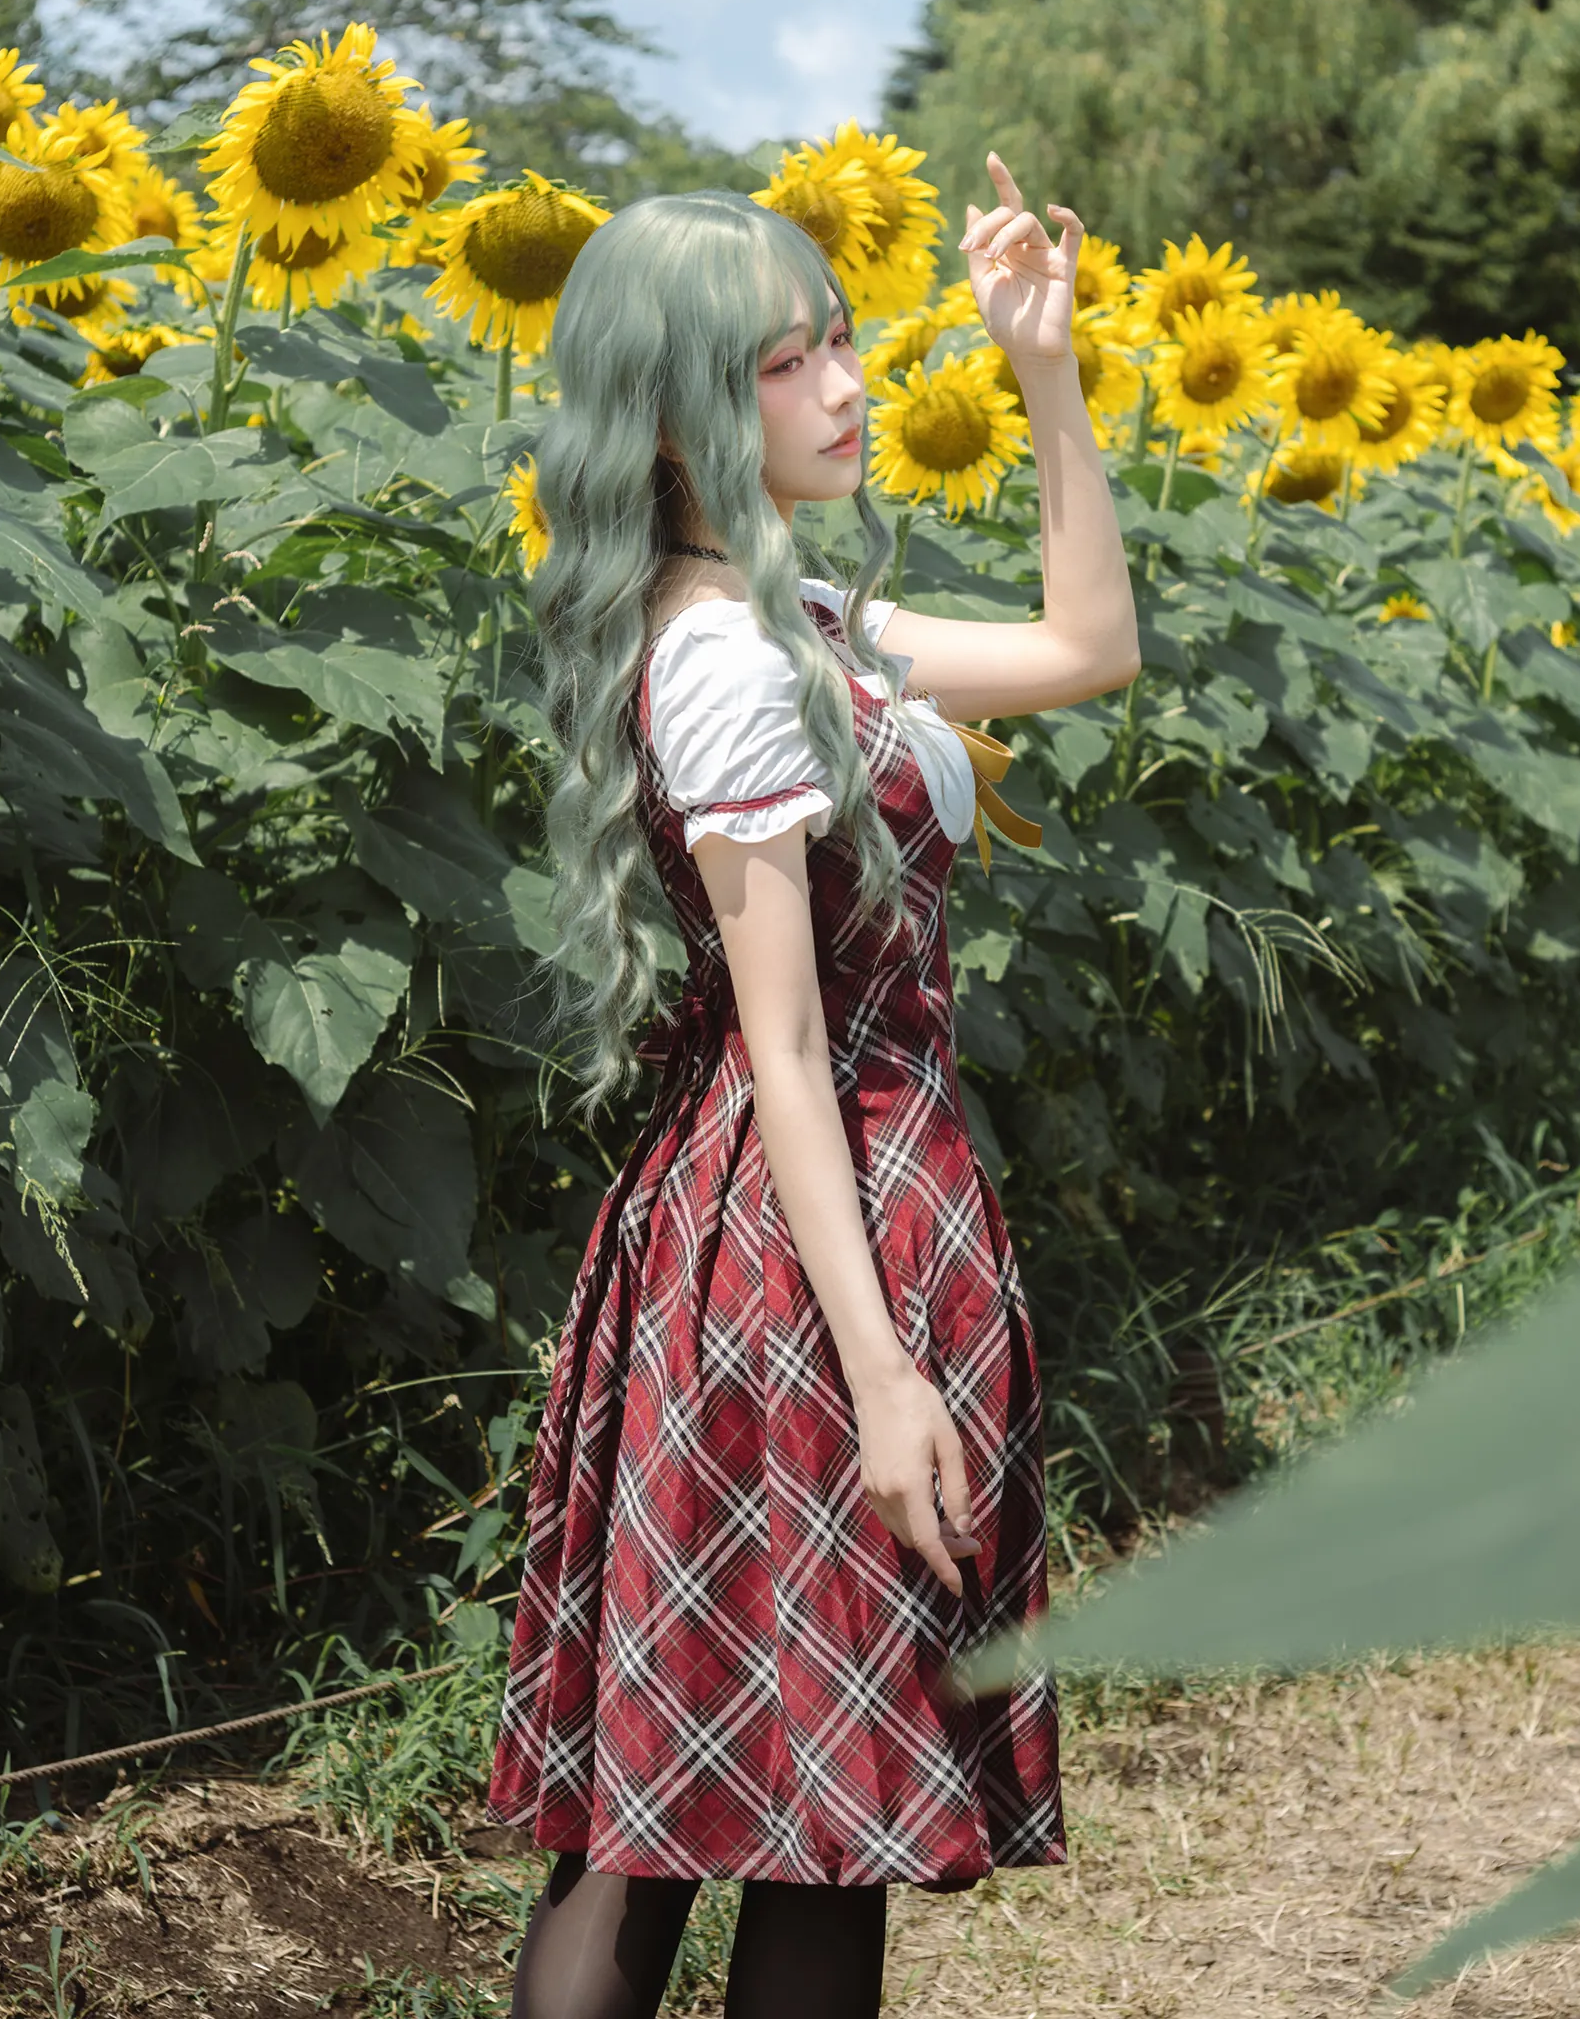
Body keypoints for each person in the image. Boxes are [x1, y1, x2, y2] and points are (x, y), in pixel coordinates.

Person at [487, 157, 1137, 2018]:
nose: (846, 385)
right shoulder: (719, 660)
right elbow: (781, 1046)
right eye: (788, 363)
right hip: (789, 1262)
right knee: (704, 1823)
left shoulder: (807, 626)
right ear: (684, 412)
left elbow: (1088, 650)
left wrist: (1047, 371)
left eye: (840, 342)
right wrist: (881, 1376)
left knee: (775, 1805)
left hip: (834, 1224)